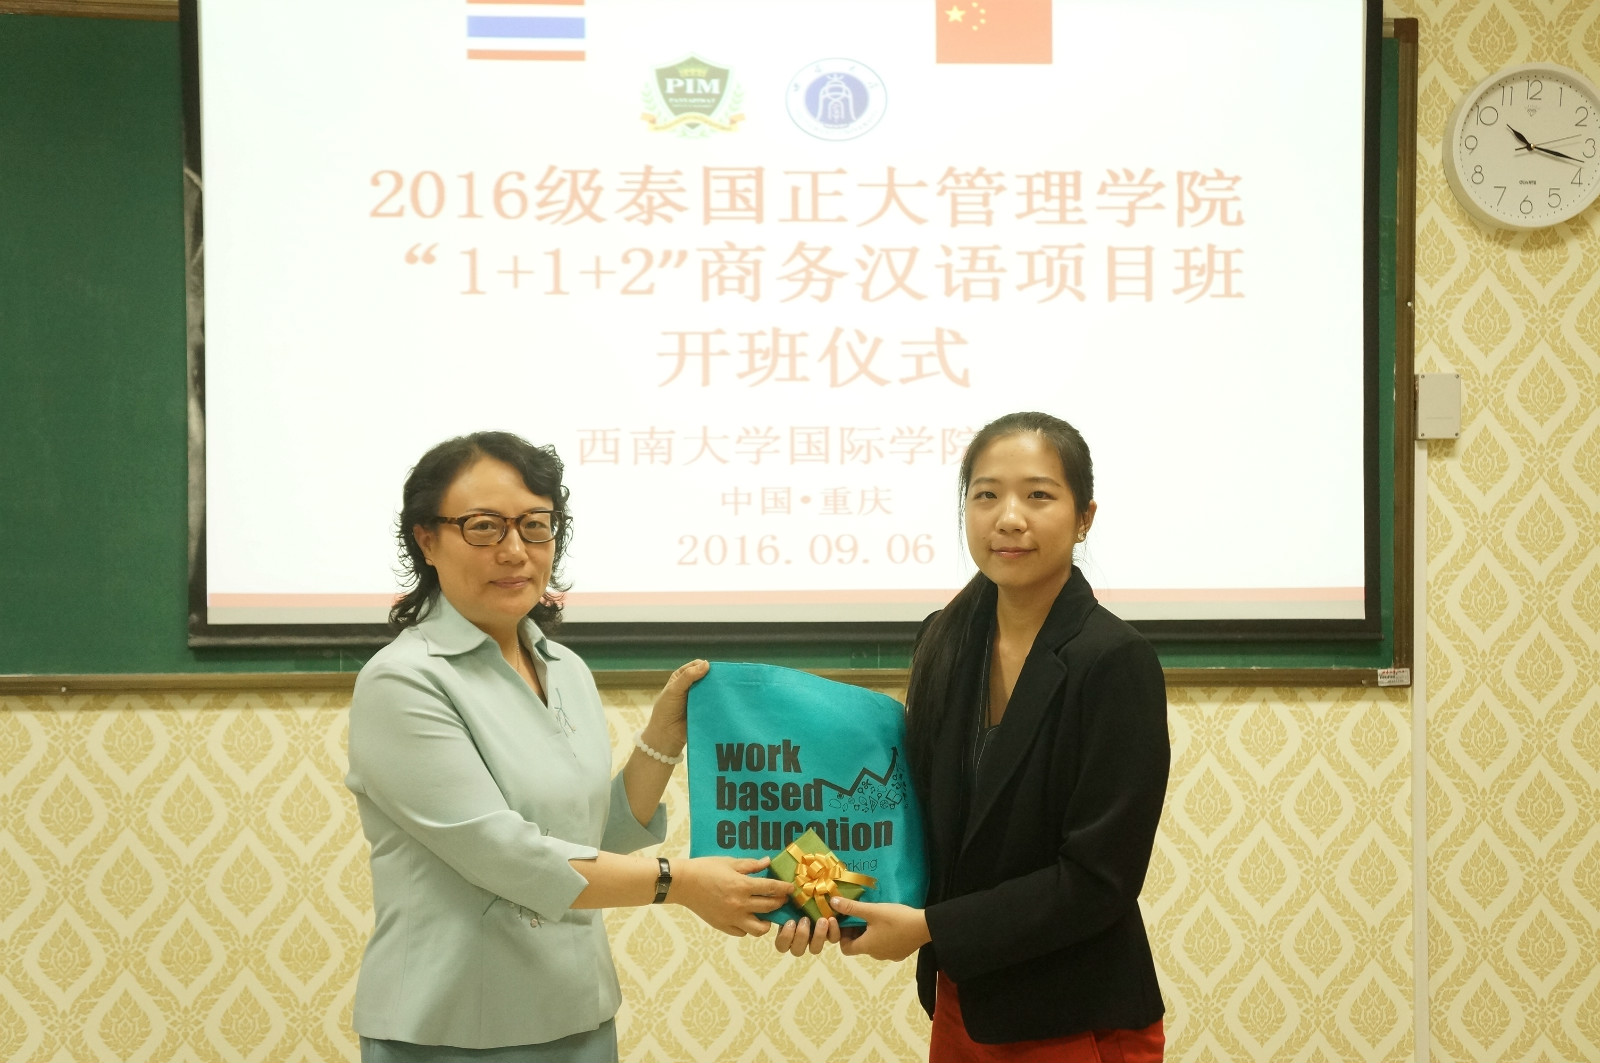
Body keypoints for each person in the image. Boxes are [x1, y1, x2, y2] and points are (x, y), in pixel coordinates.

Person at [345, 430, 790, 1063]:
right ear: (426, 539)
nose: (514, 551)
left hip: (578, 1016)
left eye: (535, 526)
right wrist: (680, 883)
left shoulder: (564, 668)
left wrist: (663, 734)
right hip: (452, 1027)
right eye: (483, 528)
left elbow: (590, 834)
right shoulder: (402, 681)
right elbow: (508, 855)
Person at [779, 411, 1170, 1062]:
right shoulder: (944, 637)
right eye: (986, 494)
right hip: (962, 998)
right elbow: (911, 811)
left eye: (1038, 495)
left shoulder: (1115, 660)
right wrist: (823, 893)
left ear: (1084, 517)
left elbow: (1099, 879)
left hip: (1075, 1012)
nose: (1008, 518)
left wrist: (929, 927)